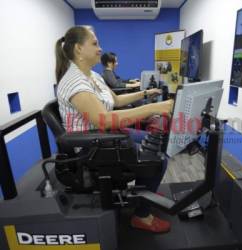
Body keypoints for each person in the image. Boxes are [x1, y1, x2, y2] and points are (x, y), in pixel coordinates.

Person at [55, 26, 173, 233]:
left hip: (104, 137)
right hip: (90, 145)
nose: (100, 49)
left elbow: (116, 99)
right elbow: (104, 120)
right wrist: (154, 107)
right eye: (94, 44)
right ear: (78, 49)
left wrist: (145, 93)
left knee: (157, 144)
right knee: (157, 158)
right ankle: (142, 216)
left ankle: (146, 192)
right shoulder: (74, 82)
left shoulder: (93, 76)